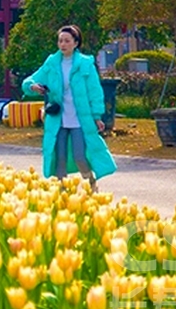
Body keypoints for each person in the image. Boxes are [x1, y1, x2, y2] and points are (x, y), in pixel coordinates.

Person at [23, 25, 117, 189]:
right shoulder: (52, 62)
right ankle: (62, 192)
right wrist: (32, 87)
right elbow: (30, 80)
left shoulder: (85, 64)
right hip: (58, 118)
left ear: (75, 43)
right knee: (59, 157)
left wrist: (97, 116)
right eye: (60, 41)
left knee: (80, 156)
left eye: (67, 41)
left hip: (80, 118)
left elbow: (95, 92)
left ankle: (90, 182)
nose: (63, 44)